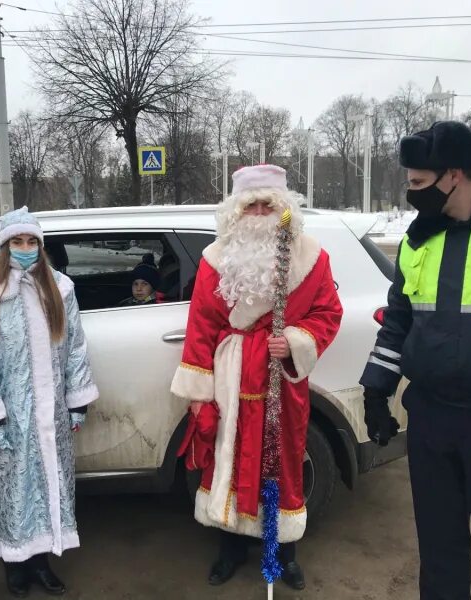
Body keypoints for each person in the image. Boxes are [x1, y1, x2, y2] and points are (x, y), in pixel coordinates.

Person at [359, 121, 471, 599]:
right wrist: (376, 390)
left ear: (454, 175)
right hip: (432, 420)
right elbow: (399, 320)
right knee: (440, 556)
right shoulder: (420, 239)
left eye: (418, 183)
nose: (411, 194)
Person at [171, 164, 343, 590]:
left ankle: (283, 552)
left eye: (269, 204)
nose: (261, 212)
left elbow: (328, 313)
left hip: (281, 382)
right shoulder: (216, 258)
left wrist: (298, 342)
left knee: (282, 461)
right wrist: (199, 391)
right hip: (231, 376)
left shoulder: (310, 258)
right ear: (237, 211)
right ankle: (230, 548)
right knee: (226, 457)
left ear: (284, 208)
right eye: (253, 205)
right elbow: (202, 326)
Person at [0, 206, 99, 598]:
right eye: (17, 241)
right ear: (4, 247)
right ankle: (14, 564)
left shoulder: (59, 287)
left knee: (50, 484)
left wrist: (77, 399)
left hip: (51, 412)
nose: (25, 247)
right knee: (13, 489)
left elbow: (74, 348)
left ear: (41, 244)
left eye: (31, 241)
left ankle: (42, 561)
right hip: (9, 413)